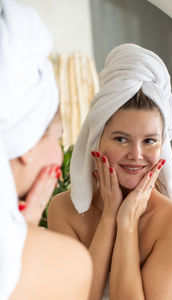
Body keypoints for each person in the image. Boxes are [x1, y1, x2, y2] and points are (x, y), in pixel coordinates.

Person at [48, 43, 172, 300]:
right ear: (97, 139)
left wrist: (126, 222)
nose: (136, 155)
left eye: (150, 141)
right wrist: (108, 219)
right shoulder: (63, 211)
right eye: (121, 139)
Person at [0, 1, 92, 300]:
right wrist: (26, 236)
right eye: (58, 136)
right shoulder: (68, 264)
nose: (59, 155)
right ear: (28, 144)